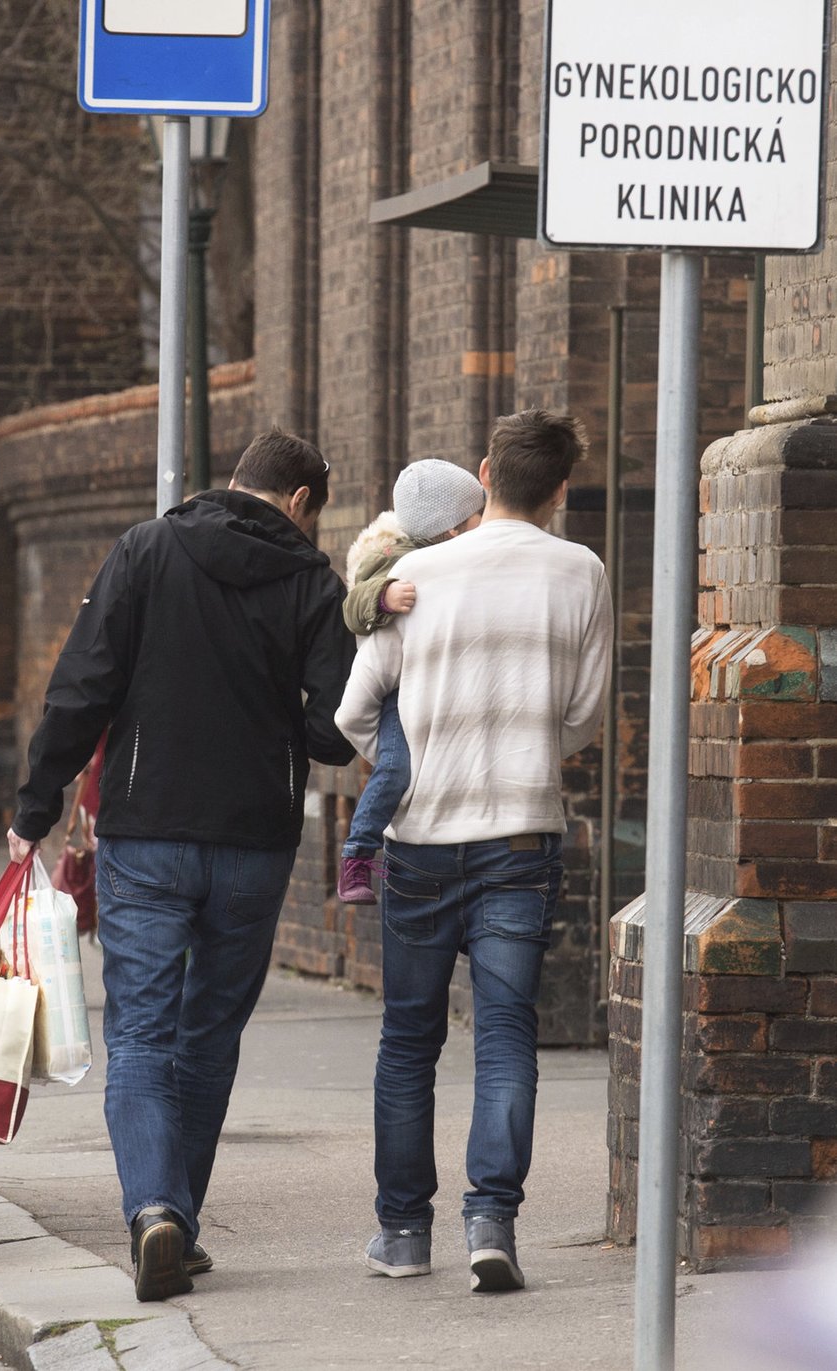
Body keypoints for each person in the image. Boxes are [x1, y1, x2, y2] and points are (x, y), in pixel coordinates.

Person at [7, 428, 356, 1302]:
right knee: (206, 1040)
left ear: (234, 480)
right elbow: (334, 726)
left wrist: (35, 804)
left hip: (148, 833)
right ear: (302, 502)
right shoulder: (313, 583)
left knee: (140, 1035)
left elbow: (82, 682)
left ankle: (155, 1212)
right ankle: (176, 1225)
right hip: (253, 843)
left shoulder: (147, 549)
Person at [335, 409, 613, 1294]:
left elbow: (350, 714)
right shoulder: (583, 573)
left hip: (420, 838)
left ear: (486, 472)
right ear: (561, 489)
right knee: (505, 1036)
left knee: (409, 1041)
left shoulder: (414, 573)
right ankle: (492, 1220)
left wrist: (416, 750)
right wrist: (527, 741)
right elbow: (586, 715)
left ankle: (404, 1234)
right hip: (520, 835)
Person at [337, 459, 485, 904]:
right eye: (478, 515)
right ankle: (357, 855)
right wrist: (385, 596)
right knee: (397, 767)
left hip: (438, 690)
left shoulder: (454, 557)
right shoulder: (397, 562)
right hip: (397, 696)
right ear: (452, 529)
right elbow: (352, 607)